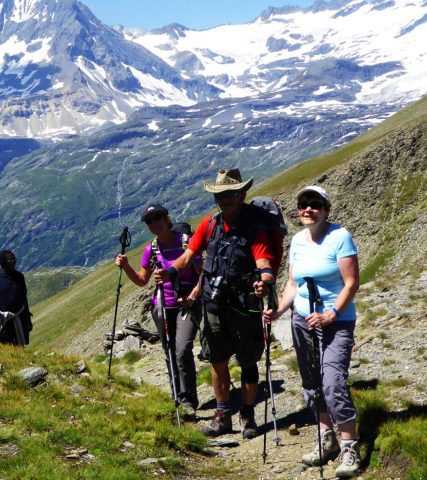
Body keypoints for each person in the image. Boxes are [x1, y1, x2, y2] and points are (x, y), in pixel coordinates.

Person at [155, 168, 276, 439]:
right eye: (220, 194)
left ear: (242, 194)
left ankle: (247, 414)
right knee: (217, 360)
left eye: (231, 193)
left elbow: (264, 262)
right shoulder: (209, 225)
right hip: (213, 303)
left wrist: (265, 280)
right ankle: (223, 415)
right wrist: (170, 272)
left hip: (244, 304)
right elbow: (188, 256)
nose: (225, 199)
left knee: (248, 361)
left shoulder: (254, 229)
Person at [263, 185, 361, 477]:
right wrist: (280, 310)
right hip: (302, 318)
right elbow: (293, 283)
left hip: (336, 321)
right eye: (303, 204)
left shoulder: (340, 237)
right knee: (311, 381)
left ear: (326, 210)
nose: (308, 209)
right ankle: (325, 438)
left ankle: (349, 448)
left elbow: (351, 283)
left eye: (315, 204)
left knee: (332, 382)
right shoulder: (297, 240)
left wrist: (332, 314)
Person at [115, 203, 203, 418]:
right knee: (170, 351)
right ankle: (178, 397)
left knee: (182, 349)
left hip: (187, 305)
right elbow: (142, 281)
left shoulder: (186, 244)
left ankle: (188, 399)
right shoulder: (151, 250)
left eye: (157, 218)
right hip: (162, 305)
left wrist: (192, 297)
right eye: (149, 221)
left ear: (167, 218)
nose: (154, 224)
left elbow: (203, 275)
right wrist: (126, 267)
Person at [0, 250, 32, 346]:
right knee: (0, 344)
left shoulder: (19, 277)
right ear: (2, 262)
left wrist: (27, 318)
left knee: (18, 345)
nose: (13, 261)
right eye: (10, 259)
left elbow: (23, 297)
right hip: (1, 318)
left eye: (14, 258)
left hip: (18, 316)